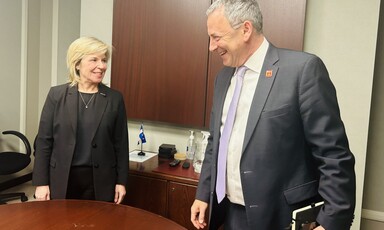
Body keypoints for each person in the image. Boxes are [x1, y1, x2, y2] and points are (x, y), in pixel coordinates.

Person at [190, 1, 356, 230]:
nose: (211, 46)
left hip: (280, 217)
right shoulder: (222, 79)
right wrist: (203, 193)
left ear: (245, 29)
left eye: (216, 37)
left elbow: (334, 156)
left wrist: (330, 223)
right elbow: (215, 143)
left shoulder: (302, 71)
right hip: (229, 213)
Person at [32, 37, 129, 204]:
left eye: (104, 60)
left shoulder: (115, 98)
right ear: (77, 64)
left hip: (101, 180)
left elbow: (121, 145)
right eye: (94, 60)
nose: (102, 66)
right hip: (62, 177)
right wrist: (41, 183)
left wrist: (121, 182)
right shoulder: (56, 95)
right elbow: (43, 142)